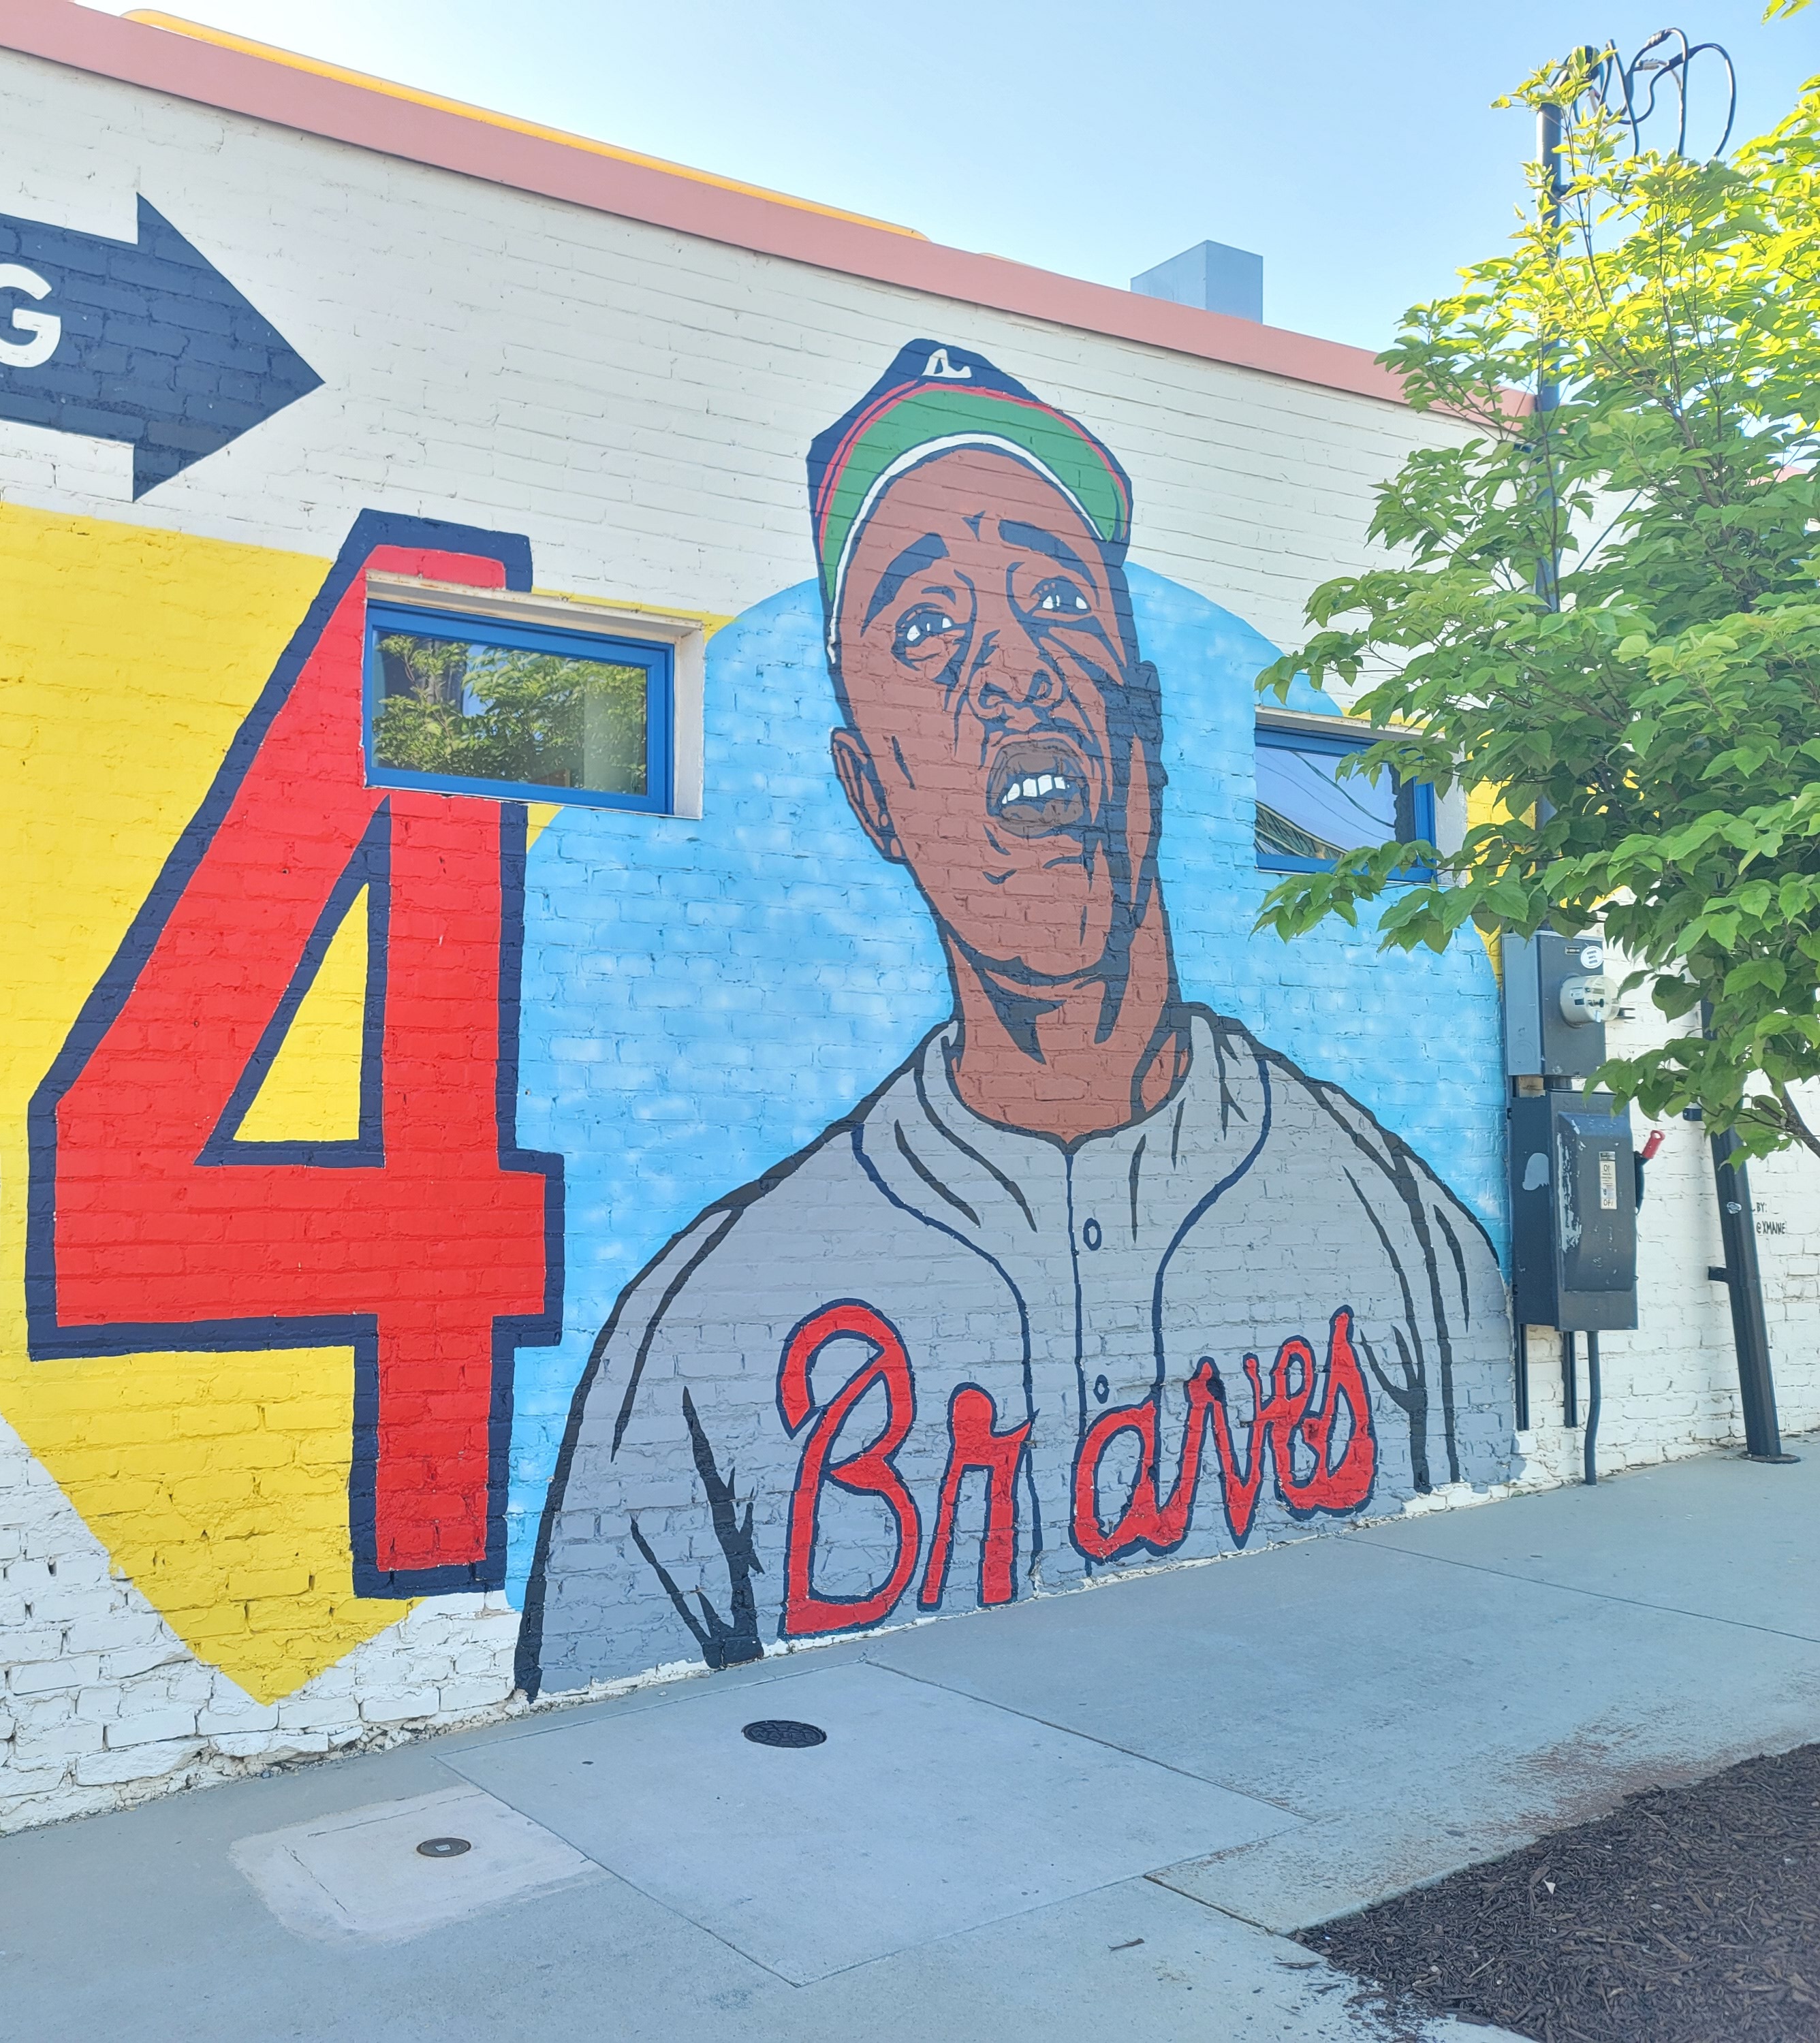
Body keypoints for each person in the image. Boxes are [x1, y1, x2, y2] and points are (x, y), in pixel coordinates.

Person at [517, 340, 1514, 1698]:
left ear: (1143, 724)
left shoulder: (1406, 1235)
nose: (1014, 671)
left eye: (1056, 596)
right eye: (924, 627)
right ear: (866, 789)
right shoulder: (693, 1338)